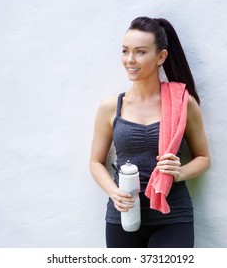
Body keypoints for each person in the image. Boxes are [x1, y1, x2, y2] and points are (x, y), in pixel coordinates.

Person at [89, 16, 210, 248]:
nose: (130, 60)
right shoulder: (110, 107)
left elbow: (204, 158)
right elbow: (95, 161)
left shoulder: (183, 103)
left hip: (173, 216)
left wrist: (180, 172)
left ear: (161, 57)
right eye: (125, 51)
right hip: (123, 216)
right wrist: (114, 192)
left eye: (140, 52)